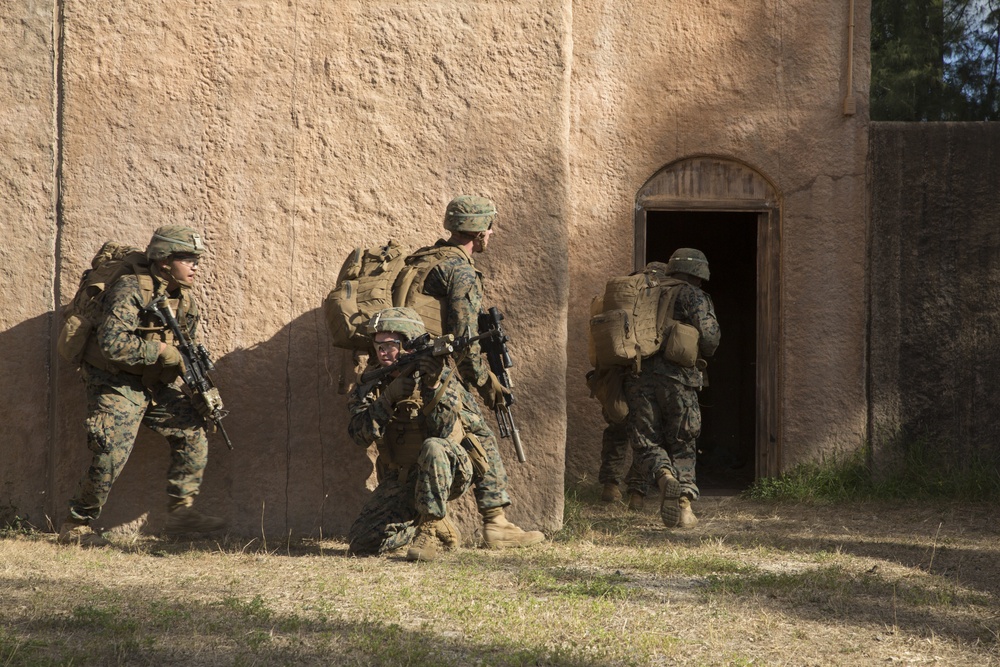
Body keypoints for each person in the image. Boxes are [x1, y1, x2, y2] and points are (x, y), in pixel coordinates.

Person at [57, 225, 227, 546]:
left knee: (192, 428)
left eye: (197, 260)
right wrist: (161, 351)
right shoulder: (130, 288)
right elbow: (112, 344)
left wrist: (203, 390)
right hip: (114, 379)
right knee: (111, 451)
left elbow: (187, 352)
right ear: (164, 261)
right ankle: (76, 524)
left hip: (152, 383)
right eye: (187, 259)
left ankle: (181, 513)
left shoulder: (184, 300)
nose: (195, 266)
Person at [393, 195, 544, 548]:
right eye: (489, 227)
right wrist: (488, 384)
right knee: (481, 439)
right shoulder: (459, 270)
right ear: (478, 233)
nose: (491, 234)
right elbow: (464, 341)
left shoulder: (423, 260)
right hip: (434, 374)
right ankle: (496, 524)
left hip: (402, 372)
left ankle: (436, 521)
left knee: (429, 446)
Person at [347, 307, 486, 561]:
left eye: (390, 344)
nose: (382, 351)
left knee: (433, 446)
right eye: (378, 345)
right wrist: (388, 399)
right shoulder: (372, 384)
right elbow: (359, 435)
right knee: (361, 544)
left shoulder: (441, 376)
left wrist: (432, 385)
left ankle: (429, 531)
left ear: (409, 343)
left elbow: (445, 432)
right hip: (402, 478)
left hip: (449, 470)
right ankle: (426, 520)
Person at [625, 248, 720, 529]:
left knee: (646, 441)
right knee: (682, 443)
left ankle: (664, 476)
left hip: (638, 377)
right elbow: (711, 340)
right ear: (698, 275)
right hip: (679, 380)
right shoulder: (693, 295)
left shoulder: (643, 291)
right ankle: (684, 509)